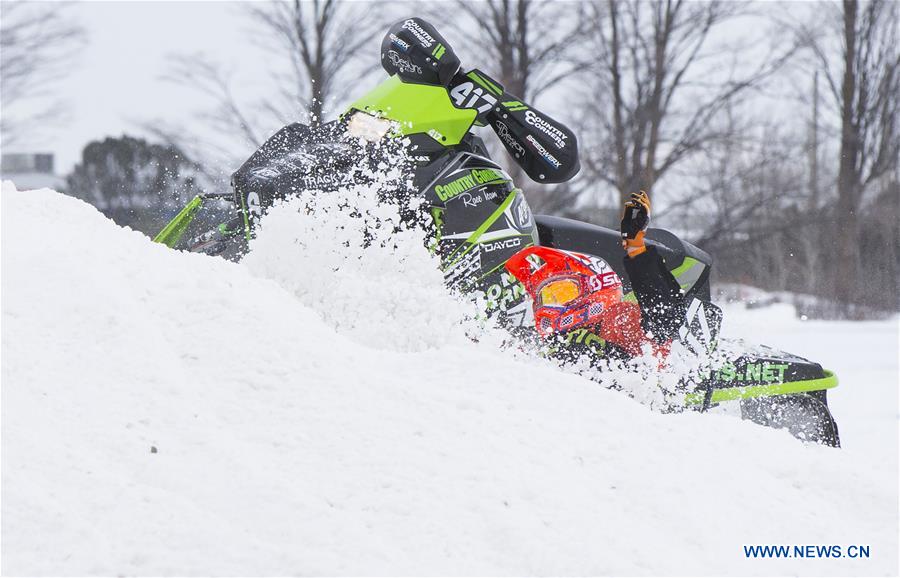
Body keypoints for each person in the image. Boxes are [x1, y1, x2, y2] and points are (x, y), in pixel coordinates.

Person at [505, 191, 687, 360]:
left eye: (563, 293)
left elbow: (664, 319)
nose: (552, 305)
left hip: (629, 386)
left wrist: (637, 249)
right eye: (547, 297)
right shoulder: (545, 343)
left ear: (594, 288)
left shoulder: (617, 320)